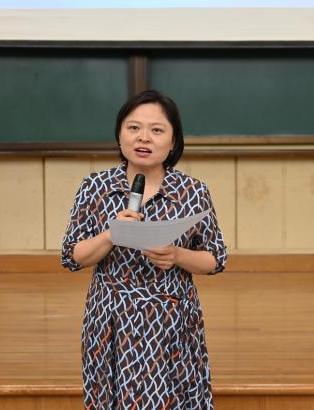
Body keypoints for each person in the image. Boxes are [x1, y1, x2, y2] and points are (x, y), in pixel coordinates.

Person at [61, 90, 227, 409]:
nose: (144, 138)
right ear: (119, 135)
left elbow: (215, 259)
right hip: (110, 319)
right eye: (134, 128)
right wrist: (111, 235)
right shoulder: (94, 187)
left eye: (157, 130)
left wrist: (177, 255)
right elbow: (72, 256)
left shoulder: (193, 191)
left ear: (173, 141)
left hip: (171, 320)